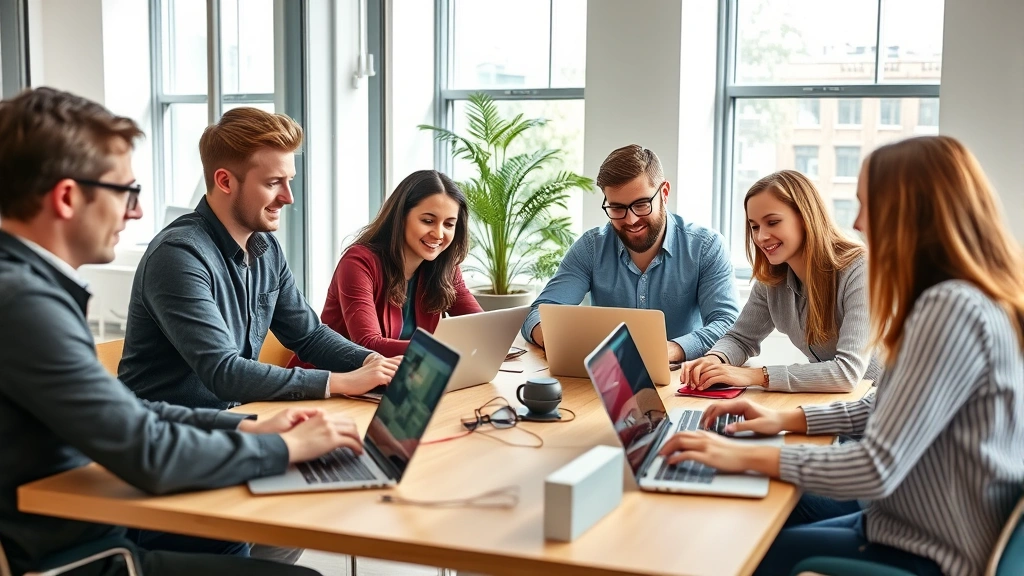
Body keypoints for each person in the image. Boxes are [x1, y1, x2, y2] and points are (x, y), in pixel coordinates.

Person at [0, 87, 363, 576]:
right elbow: (147, 447)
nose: (136, 213)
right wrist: (282, 447)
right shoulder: (24, 301)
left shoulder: (29, 289)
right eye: (125, 192)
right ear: (67, 197)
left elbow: (131, 413)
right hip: (88, 553)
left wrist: (248, 426)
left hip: (99, 515)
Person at [659, 135, 1024, 576]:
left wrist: (738, 455)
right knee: (754, 515)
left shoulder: (949, 309)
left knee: (736, 546)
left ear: (911, 212)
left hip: (931, 547)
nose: (860, 223)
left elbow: (876, 466)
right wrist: (783, 420)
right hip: (898, 521)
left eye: (869, 206)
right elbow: (883, 405)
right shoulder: (964, 298)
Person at [118, 107, 401, 415]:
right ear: (225, 181)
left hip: (234, 425)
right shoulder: (178, 255)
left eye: (289, 180)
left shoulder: (266, 248)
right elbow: (224, 372)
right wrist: (342, 382)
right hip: (165, 440)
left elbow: (309, 335)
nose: (288, 197)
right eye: (273, 183)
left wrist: (370, 361)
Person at [521, 145, 739, 363]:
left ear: (664, 193)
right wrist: (556, 340)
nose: (631, 220)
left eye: (641, 204)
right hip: (608, 377)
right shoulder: (590, 248)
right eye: (617, 208)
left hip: (683, 379)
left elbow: (728, 324)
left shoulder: (705, 247)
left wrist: (667, 351)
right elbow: (538, 314)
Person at [680, 170, 874, 393]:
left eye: (772, 222)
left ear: (805, 217)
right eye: (754, 226)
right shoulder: (772, 278)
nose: (761, 237)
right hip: (837, 407)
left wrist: (755, 375)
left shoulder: (860, 269)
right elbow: (741, 338)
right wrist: (715, 360)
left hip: (888, 408)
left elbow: (847, 374)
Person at [292, 169, 481, 362]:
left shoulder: (444, 267)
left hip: (399, 379)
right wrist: (445, 349)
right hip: (331, 381)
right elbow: (367, 344)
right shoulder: (358, 262)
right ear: (401, 216)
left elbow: (482, 326)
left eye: (449, 224)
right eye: (428, 221)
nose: (439, 234)